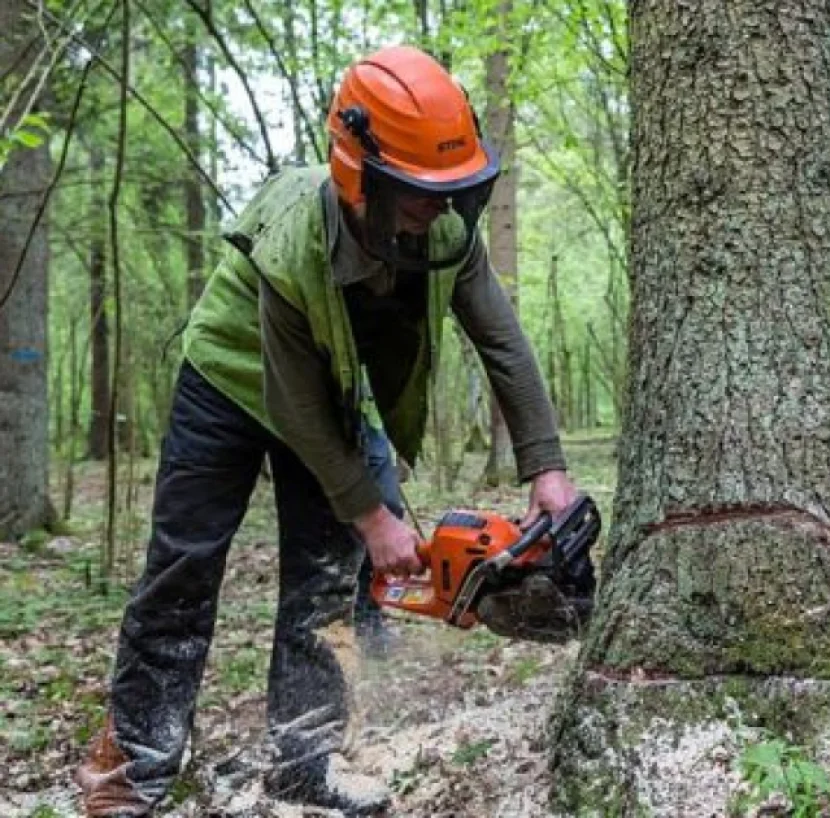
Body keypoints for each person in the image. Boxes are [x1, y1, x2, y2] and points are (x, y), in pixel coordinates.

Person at [75, 45, 576, 816]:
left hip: (327, 389)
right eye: (418, 194)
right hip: (231, 379)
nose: (437, 210)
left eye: (452, 192)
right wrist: (372, 513)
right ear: (361, 180)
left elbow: (502, 342)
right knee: (185, 565)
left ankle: (305, 759)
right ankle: (129, 770)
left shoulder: (444, 233)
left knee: (326, 579)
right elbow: (293, 398)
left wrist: (546, 467)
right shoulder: (294, 237)